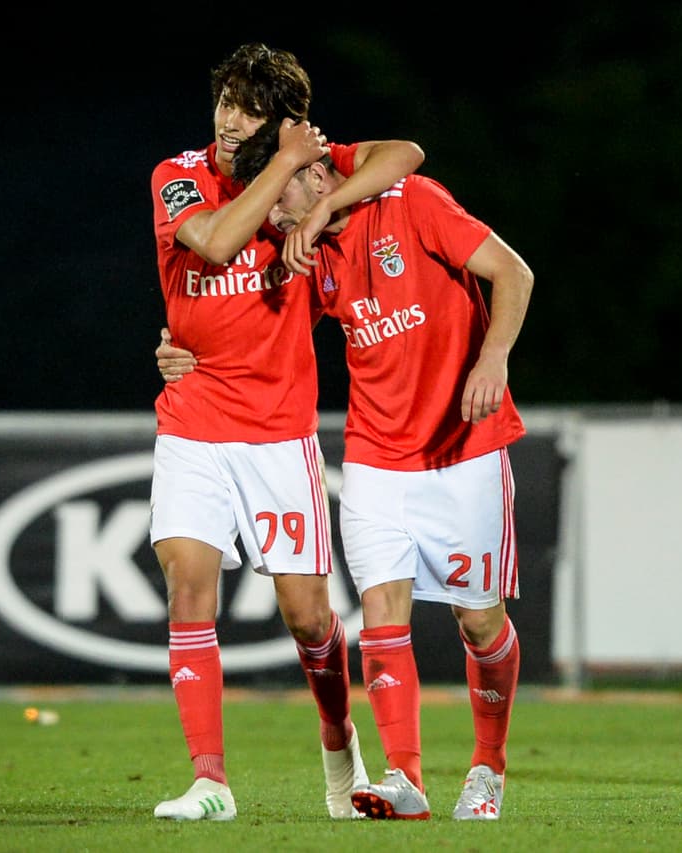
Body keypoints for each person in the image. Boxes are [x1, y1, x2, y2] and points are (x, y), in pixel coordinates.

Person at [157, 119, 534, 821]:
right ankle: (405, 777)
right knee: (381, 612)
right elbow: (244, 320)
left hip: (464, 447)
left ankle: (488, 766)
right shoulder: (312, 253)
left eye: (277, 202)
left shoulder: (413, 201)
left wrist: (494, 357)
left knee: (480, 621)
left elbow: (515, 271)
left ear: (312, 174)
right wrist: (178, 348)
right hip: (375, 456)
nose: (271, 219)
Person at [147, 42, 425, 822]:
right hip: (194, 421)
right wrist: (285, 167)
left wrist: (327, 197)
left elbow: (406, 154)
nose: (231, 121)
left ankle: (342, 761)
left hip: (279, 436)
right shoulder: (177, 175)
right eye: (225, 102)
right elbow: (211, 243)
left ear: (284, 122)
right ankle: (211, 781)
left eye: (250, 108)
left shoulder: (307, 178)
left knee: (308, 617)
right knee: (187, 582)